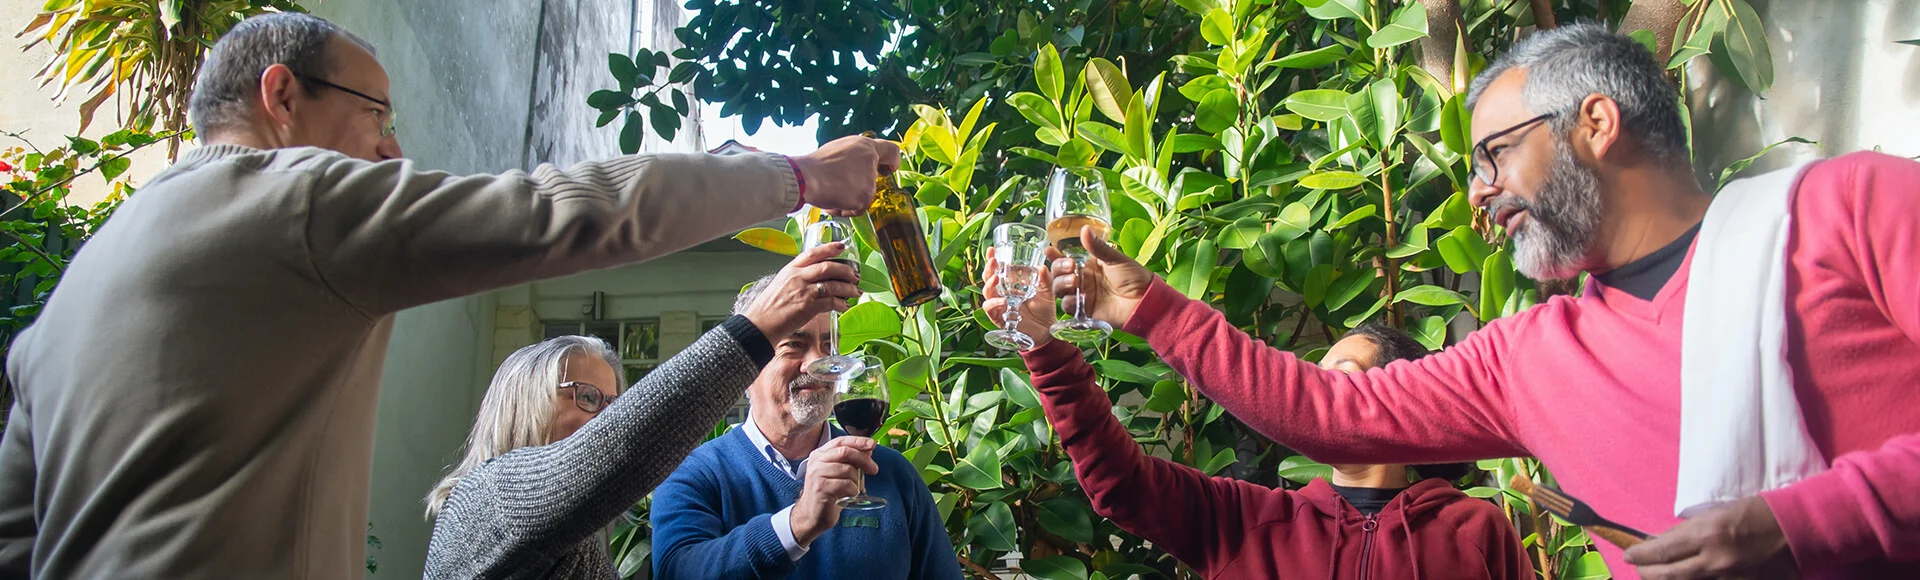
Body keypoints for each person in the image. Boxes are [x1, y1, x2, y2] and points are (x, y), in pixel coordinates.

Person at [0, 12, 897, 579]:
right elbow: (562, 211)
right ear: (281, 96)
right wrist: (797, 175)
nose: (393, 153)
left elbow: (17, 539)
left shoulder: (75, 293)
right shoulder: (291, 200)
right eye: (377, 117)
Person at [1041, 23, 1919, 580]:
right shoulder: (1530, 355)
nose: (1478, 192)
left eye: (1493, 154)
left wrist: (1789, 525)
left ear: (1595, 123)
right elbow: (1323, 411)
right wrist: (1144, 305)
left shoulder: (1850, 208)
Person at [986, 261, 1528, 579]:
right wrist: (1046, 350)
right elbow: (1121, 485)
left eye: (1337, 373)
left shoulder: (1475, 532)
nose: (1315, 393)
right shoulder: (1249, 522)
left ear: (1393, 396)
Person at [422, 244, 858, 579]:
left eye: (614, 403)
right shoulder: (490, 497)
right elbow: (620, 445)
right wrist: (760, 326)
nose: (609, 419)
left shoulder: (579, 544)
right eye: (588, 397)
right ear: (521, 403)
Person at [649, 274, 962, 580]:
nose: (817, 363)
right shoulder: (694, 475)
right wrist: (797, 525)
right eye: (794, 345)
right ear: (744, 366)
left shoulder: (892, 474)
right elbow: (678, 569)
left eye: (828, 346)